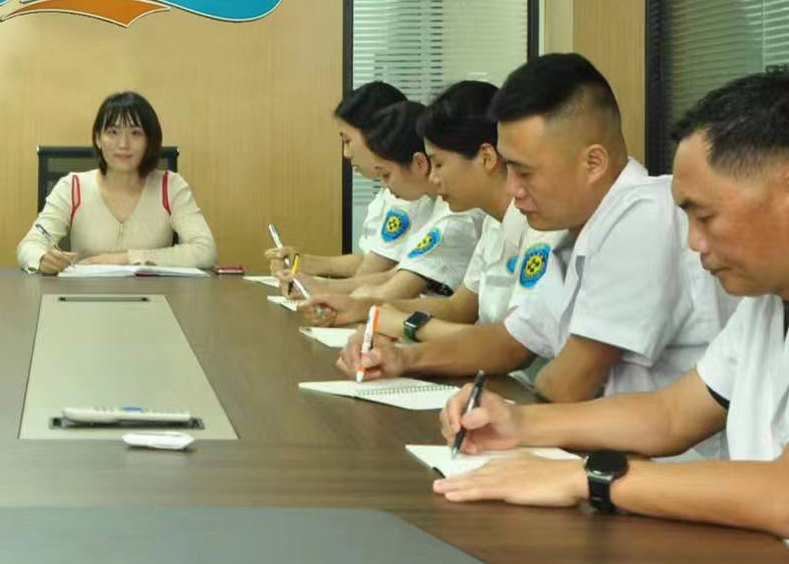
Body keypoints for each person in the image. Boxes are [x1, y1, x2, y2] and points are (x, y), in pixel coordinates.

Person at [426, 67, 789, 564]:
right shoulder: (775, 295)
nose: (693, 242)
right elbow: (670, 415)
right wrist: (519, 426)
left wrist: (589, 478)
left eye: (705, 216)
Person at [338, 53, 735, 408]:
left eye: (525, 172)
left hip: (657, 461)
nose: (513, 188)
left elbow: (566, 384)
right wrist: (402, 358)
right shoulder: (575, 230)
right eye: (509, 168)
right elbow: (511, 341)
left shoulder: (644, 216)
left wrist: (506, 411)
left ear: (593, 163)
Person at [301, 81, 569, 336]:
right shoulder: (492, 222)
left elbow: (512, 343)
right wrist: (363, 308)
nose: (432, 177)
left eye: (438, 164)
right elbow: (458, 308)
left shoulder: (538, 226)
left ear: (486, 157)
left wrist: (399, 325)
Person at [289, 100, 482, 300]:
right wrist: (321, 285)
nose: (385, 185)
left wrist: (327, 290)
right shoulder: (437, 204)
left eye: (439, 163)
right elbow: (395, 273)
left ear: (419, 163)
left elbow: (389, 288)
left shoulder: (456, 215)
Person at [16, 92, 218, 272]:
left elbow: (205, 250)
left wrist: (126, 259)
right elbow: (30, 245)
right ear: (98, 138)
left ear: (150, 140)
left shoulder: (171, 186)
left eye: (135, 133)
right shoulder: (72, 187)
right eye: (113, 132)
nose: (123, 144)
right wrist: (41, 258)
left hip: (154, 297)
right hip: (85, 297)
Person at [266, 82, 411, 280]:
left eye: (347, 141)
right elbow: (371, 260)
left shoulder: (411, 195)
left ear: (379, 135)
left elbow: (372, 274)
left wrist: (318, 287)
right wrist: (302, 262)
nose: (346, 153)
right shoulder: (391, 193)